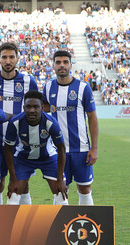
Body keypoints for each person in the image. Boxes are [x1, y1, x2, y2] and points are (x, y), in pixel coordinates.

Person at [0, 42, 39, 204]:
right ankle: (1, 221)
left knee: (22, 183)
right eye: (4, 57)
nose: (8, 61)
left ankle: (25, 221)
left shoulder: (27, 81)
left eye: (11, 57)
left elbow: (37, 110)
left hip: (20, 143)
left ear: (18, 59)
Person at [43, 50, 98, 205]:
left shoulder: (83, 88)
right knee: (59, 191)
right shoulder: (48, 88)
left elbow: (92, 118)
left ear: (70, 65)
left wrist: (94, 148)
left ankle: (86, 224)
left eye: (65, 62)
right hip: (57, 150)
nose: (62, 65)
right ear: (53, 65)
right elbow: (45, 109)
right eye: (58, 62)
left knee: (85, 189)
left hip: (81, 149)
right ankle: (61, 228)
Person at [4, 90, 68, 205]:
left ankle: (59, 222)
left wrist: (60, 179)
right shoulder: (15, 122)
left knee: (61, 196)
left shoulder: (51, 123)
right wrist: (13, 178)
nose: (32, 110)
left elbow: (61, 148)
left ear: (42, 107)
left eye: (36, 107)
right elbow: (8, 149)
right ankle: (23, 222)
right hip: (23, 159)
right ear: (23, 107)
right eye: (28, 107)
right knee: (13, 196)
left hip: (48, 158)